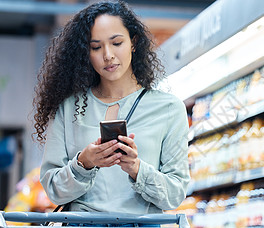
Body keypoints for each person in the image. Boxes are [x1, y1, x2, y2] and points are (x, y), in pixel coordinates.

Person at [33, 0, 190, 216]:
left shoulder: (169, 108)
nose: (108, 55)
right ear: (85, 53)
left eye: (117, 43)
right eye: (96, 47)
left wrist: (136, 169)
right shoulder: (69, 108)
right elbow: (53, 191)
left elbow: (175, 194)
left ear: (133, 42)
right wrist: (83, 163)